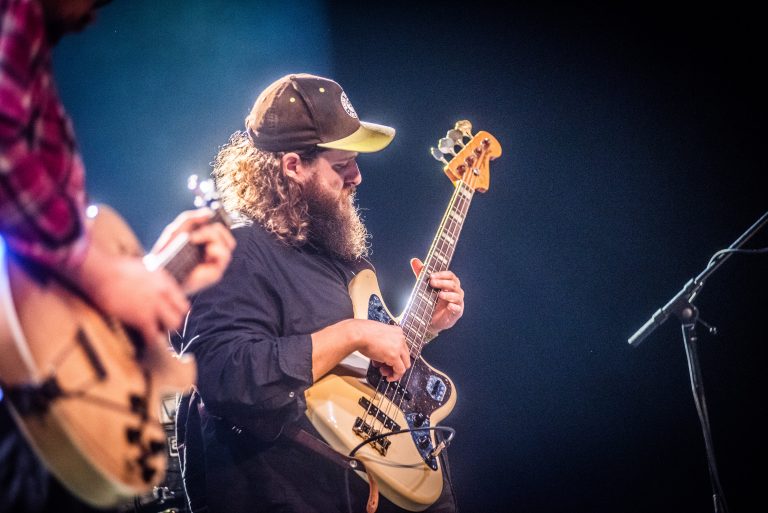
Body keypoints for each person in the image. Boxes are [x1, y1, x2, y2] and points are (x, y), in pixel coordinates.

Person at [173, 73, 465, 513]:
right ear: (293, 166)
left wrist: (424, 329)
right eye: (342, 164)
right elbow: (221, 373)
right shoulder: (238, 249)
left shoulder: (343, 259)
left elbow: (359, 375)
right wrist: (351, 333)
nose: (357, 176)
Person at [0, 1, 236, 512]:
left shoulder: (38, 55)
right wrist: (105, 274)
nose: (97, 13)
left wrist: (154, 276)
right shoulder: (15, 16)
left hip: (48, 403)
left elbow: (48, 273)